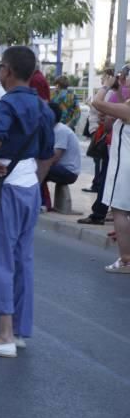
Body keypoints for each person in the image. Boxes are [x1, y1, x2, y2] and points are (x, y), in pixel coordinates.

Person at [0, 46, 55, 358]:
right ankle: (16, 330)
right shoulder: (43, 106)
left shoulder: (8, 102)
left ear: (6, 70)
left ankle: (4, 335)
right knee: (21, 259)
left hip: (7, 185)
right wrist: (35, 180)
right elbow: (48, 152)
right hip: (29, 184)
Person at [90, 79, 130, 273]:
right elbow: (121, 106)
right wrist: (119, 89)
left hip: (125, 165)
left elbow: (97, 103)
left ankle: (126, 259)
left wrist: (106, 86)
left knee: (119, 210)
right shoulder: (127, 106)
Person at [40, 102, 82, 211]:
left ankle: (43, 203)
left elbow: (55, 158)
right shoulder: (53, 129)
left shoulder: (61, 130)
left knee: (38, 168)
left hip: (69, 172)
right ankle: (43, 202)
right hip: (60, 168)